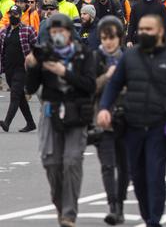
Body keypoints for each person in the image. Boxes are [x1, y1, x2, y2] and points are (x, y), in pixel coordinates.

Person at [97, 14, 166, 227]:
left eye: (149, 29)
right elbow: (114, 85)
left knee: (155, 175)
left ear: (160, 31)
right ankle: (147, 217)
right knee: (137, 177)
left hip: (160, 126)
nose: (144, 33)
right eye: (141, 29)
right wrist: (104, 109)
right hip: (132, 125)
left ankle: (154, 221)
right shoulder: (130, 57)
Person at [25, 14, 97, 227]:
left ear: (70, 33)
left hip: (77, 112)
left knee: (72, 161)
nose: (57, 36)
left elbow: (90, 85)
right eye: (53, 32)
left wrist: (64, 72)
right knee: (52, 163)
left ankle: (69, 214)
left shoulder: (83, 54)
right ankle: (60, 204)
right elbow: (30, 88)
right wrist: (34, 65)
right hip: (51, 112)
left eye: (61, 31)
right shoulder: (45, 54)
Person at [92, 16, 128, 225]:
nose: (108, 42)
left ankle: (121, 203)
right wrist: (108, 77)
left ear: (120, 38)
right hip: (102, 119)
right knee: (107, 165)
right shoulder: (95, 58)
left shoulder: (129, 58)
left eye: (112, 37)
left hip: (126, 119)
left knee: (125, 167)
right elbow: (89, 87)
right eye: (105, 37)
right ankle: (113, 205)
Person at [0, 5, 37, 132]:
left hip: (22, 69)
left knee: (15, 95)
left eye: (15, 14)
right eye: (11, 14)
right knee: (20, 97)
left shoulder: (27, 30)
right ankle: (31, 123)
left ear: (20, 16)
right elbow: (1, 51)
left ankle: (7, 122)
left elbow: (36, 47)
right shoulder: (4, 32)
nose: (12, 16)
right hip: (9, 70)